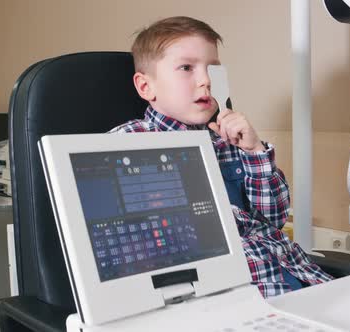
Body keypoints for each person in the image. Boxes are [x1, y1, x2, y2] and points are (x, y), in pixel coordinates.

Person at [109, 16, 332, 298]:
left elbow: (273, 219)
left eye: (212, 69)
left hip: (302, 279)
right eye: (186, 68)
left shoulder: (227, 140)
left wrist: (254, 153)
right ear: (145, 87)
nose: (205, 81)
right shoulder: (128, 144)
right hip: (237, 297)